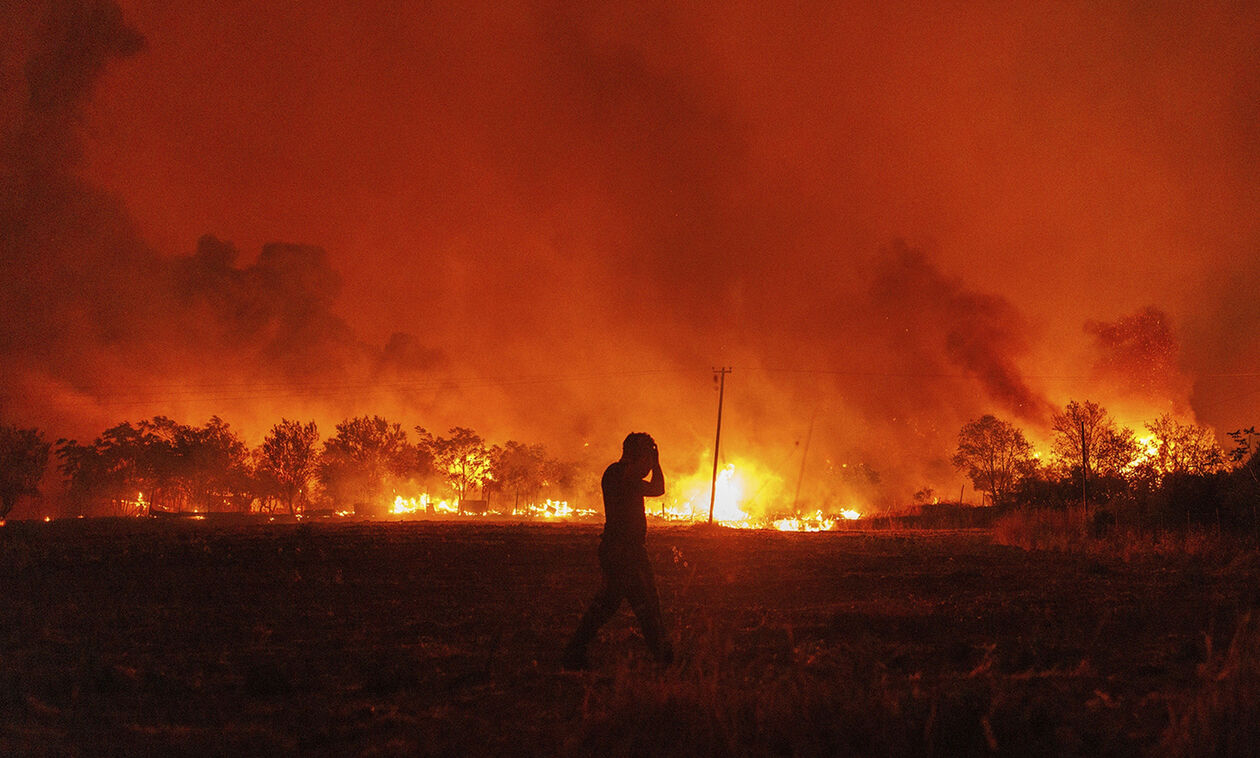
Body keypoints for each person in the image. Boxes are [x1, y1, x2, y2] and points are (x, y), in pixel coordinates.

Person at [563, 432, 673, 669]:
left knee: (613, 603)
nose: (648, 465)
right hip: (624, 553)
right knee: (645, 603)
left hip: (622, 551)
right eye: (646, 457)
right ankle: (663, 656)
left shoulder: (622, 475)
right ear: (635, 455)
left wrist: (654, 461)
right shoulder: (619, 474)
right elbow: (657, 488)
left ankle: (574, 651)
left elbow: (657, 488)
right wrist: (656, 462)